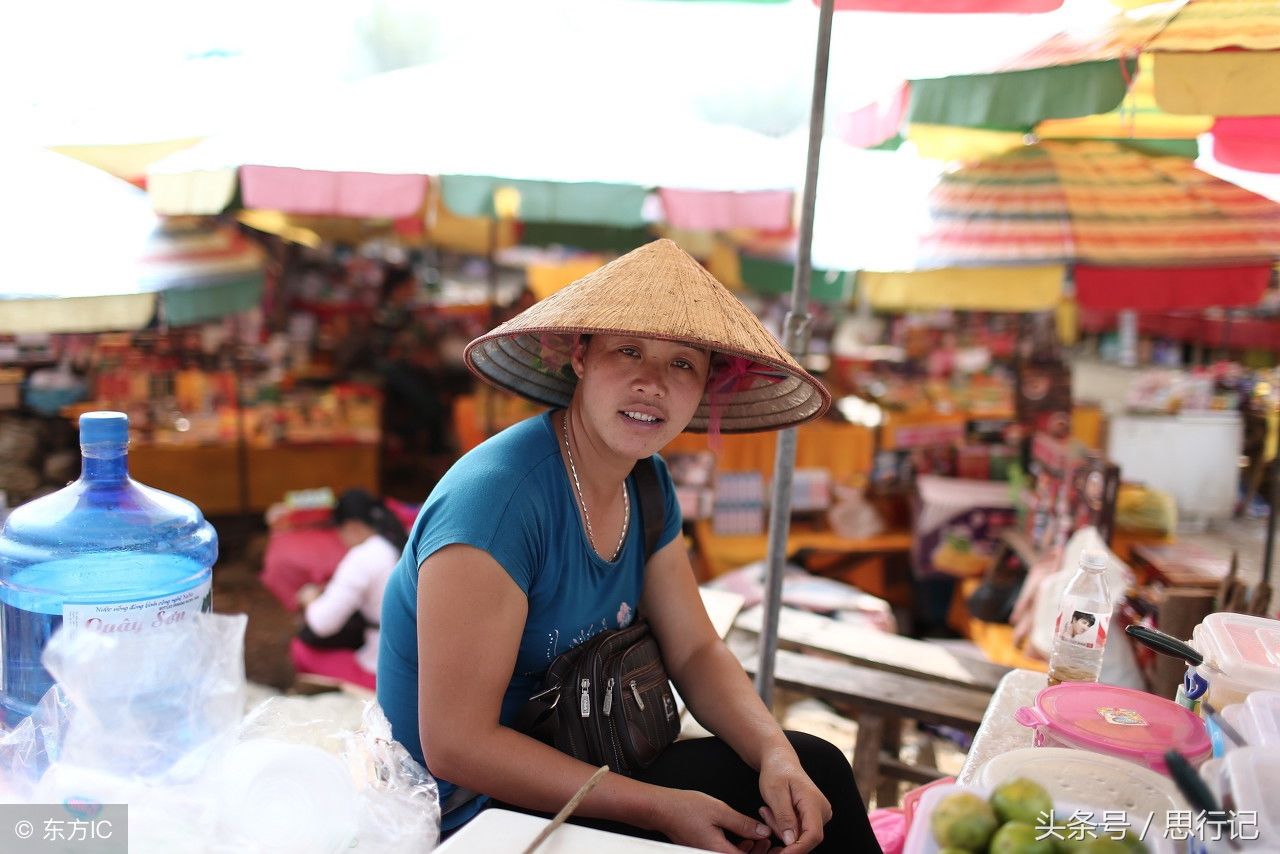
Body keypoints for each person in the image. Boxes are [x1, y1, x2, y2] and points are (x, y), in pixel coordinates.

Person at [378, 239, 881, 852]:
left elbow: (694, 649)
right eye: (629, 351)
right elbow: (457, 745)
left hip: (593, 757)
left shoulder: (646, 481)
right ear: (582, 357)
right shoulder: (498, 504)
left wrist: (775, 752)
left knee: (813, 768)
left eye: (682, 364)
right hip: (476, 811)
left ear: (703, 388)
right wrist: (660, 809)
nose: (652, 383)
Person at [290, 489, 406, 691]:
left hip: (383, 673)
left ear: (352, 526)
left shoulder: (364, 556)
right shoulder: (400, 542)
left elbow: (322, 624)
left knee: (301, 650)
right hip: (417, 661)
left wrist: (309, 599)